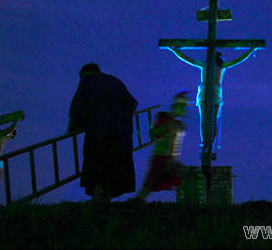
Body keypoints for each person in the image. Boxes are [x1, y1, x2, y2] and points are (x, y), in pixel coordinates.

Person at [67, 63, 138, 203]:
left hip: (98, 126)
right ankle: (108, 195)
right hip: (120, 129)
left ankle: (98, 193)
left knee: (96, 159)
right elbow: (132, 102)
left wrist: (74, 126)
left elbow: (78, 104)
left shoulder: (87, 80)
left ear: (86, 73)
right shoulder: (114, 81)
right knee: (114, 161)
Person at [167, 47, 255, 156]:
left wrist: (174, 50)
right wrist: (250, 51)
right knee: (211, 121)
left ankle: (206, 144)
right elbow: (238, 60)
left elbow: (187, 59)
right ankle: (207, 145)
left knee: (205, 121)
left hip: (207, 94)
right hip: (212, 94)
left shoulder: (207, 65)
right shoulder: (219, 66)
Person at [133, 91, 191, 201]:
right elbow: (153, 133)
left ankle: (184, 203)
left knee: (179, 180)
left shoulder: (179, 125)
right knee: (151, 182)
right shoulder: (165, 118)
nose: (184, 110)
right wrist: (165, 128)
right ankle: (137, 201)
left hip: (172, 159)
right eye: (182, 106)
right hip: (161, 157)